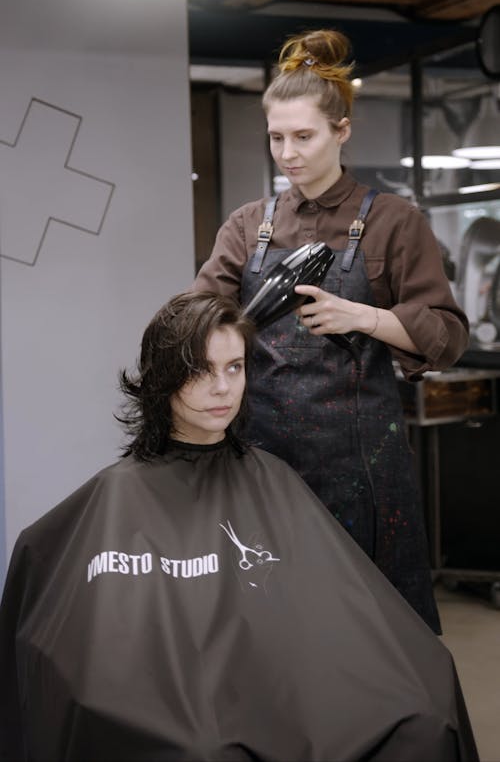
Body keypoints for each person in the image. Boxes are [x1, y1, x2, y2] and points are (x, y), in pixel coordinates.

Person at [0, 292, 477, 762]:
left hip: (281, 686)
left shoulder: (273, 480)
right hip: (192, 709)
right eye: (201, 370)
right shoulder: (115, 499)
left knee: (425, 711)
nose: (224, 388)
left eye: (234, 367)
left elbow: (332, 614)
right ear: (163, 378)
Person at [193, 28, 470, 634]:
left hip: (361, 468)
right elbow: (198, 319)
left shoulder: (394, 222)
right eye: (276, 137)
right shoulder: (248, 226)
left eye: (304, 136)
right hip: (260, 459)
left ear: (341, 131)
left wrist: (366, 317)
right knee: (274, 628)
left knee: (371, 630)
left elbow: (448, 336)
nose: (288, 153)